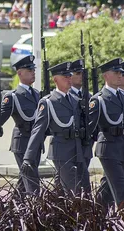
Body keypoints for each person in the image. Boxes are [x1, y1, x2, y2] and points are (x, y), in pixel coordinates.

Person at [23, 62, 91, 194]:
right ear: (55, 79)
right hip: (62, 151)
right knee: (74, 191)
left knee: (85, 188)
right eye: (65, 77)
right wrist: (28, 157)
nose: (69, 79)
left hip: (78, 150)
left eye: (70, 76)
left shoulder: (75, 100)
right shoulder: (48, 102)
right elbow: (38, 130)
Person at [0, 55, 40, 194]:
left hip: (35, 143)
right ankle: (35, 211)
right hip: (22, 142)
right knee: (32, 180)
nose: (33, 72)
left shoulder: (37, 94)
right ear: (19, 73)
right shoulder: (13, 96)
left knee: (24, 182)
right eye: (29, 70)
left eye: (33, 69)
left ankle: (12, 209)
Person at [89, 58, 124, 208]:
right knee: (122, 191)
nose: (120, 75)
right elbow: (89, 128)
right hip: (108, 148)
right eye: (116, 72)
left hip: (122, 146)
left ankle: (95, 219)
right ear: (105, 76)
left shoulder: (122, 96)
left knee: (107, 190)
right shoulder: (99, 99)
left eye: (121, 73)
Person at [69, 59, 93, 168]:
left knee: (83, 174)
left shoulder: (89, 96)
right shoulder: (66, 96)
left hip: (86, 141)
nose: (81, 76)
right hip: (71, 141)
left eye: (83, 73)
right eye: (77, 74)